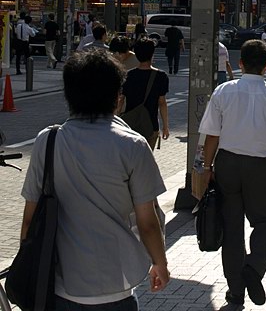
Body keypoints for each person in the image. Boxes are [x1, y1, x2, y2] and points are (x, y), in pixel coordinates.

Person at [20, 49, 169, 309]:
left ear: (68, 95)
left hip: (60, 285)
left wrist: (28, 263)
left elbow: (30, 218)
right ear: (117, 98)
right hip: (117, 285)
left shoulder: (48, 140)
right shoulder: (132, 145)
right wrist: (160, 263)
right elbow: (148, 222)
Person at [196, 39, 266, 307]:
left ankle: (235, 292)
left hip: (227, 164)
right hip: (260, 167)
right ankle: (253, 268)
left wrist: (205, 168)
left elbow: (210, 136)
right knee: (265, 223)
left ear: (241, 63)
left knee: (232, 229)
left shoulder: (223, 91)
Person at [122, 39, 169, 150]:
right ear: (152, 54)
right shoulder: (161, 76)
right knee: (146, 159)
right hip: (151, 125)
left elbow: (120, 100)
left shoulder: (128, 75)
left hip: (130, 125)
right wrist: (165, 126)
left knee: (130, 158)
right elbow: (162, 103)